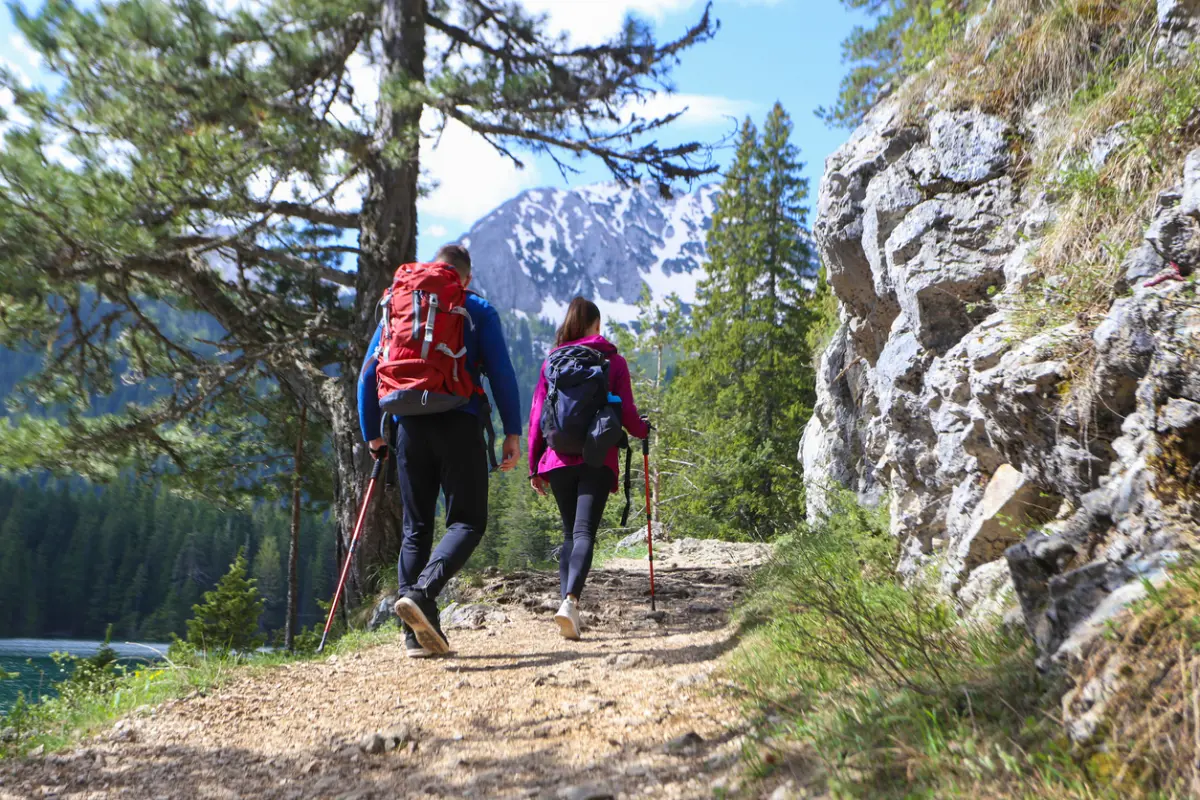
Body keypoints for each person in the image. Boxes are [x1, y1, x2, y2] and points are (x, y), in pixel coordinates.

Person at [358, 244, 522, 658]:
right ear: (465, 277)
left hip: (407, 425)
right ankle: (423, 593)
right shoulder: (475, 307)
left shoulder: (399, 304)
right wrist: (513, 432)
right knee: (467, 522)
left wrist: (372, 434)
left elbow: (367, 374)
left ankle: (414, 637)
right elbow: (501, 372)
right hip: (458, 420)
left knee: (416, 529)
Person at [528, 297, 649, 640]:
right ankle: (570, 602)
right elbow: (626, 413)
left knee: (570, 534)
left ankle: (567, 605)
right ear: (595, 325)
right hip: (597, 456)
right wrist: (643, 430)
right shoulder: (613, 360)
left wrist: (535, 465)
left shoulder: (551, 362)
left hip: (558, 458)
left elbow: (537, 417)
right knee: (584, 533)